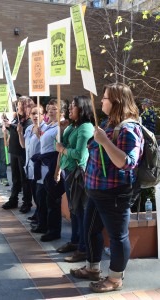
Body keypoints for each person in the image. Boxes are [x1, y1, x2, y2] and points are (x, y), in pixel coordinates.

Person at [70, 83, 144, 293]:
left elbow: (127, 162)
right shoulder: (109, 123)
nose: (101, 101)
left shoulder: (129, 128)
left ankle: (115, 278)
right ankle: (93, 268)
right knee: (90, 229)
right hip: (97, 191)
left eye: (104, 98)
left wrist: (104, 142)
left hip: (114, 193)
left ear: (117, 102)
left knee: (117, 236)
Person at [55, 96, 94, 262]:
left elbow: (80, 153)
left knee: (80, 211)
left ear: (82, 109)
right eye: (69, 107)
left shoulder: (85, 127)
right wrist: (63, 131)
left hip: (77, 174)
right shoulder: (73, 125)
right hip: (68, 172)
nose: (69, 110)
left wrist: (63, 150)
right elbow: (63, 143)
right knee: (73, 210)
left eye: (73, 107)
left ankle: (83, 248)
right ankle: (75, 241)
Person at [31, 99, 65, 242]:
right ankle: (43, 225)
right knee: (43, 198)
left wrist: (57, 170)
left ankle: (53, 230)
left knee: (52, 201)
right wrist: (39, 135)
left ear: (61, 112)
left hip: (54, 167)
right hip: (45, 167)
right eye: (49, 108)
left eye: (54, 109)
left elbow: (59, 149)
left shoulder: (61, 127)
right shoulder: (50, 126)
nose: (50, 111)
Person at [2, 96, 35, 212]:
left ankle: (27, 202)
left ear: (27, 106)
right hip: (14, 151)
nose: (18, 106)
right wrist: (7, 124)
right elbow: (13, 129)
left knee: (24, 178)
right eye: (18, 104)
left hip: (22, 153)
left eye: (21, 104)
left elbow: (24, 130)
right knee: (15, 178)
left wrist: (10, 125)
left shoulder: (29, 121)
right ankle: (13, 199)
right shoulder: (17, 118)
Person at [17, 104, 47, 223]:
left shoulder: (45, 128)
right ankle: (38, 214)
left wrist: (38, 135)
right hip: (29, 167)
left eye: (38, 113)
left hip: (40, 168)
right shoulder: (29, 128)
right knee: (35, 194)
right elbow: (23, 145)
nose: (35, 116)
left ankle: (41, 219)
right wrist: (20, 133)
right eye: (33, 113)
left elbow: (46, 146)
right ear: (29, 115)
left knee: (40, 195)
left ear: (43, 115)